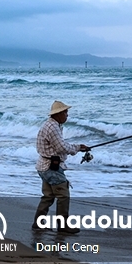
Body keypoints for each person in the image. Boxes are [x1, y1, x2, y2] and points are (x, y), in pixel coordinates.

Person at [34, 100, 91, 235]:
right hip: (51, 167)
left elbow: (60, 144)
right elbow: (61, 147)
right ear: (58, 114)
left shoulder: (52, 125)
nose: (67, 115)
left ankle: (38, 224)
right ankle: (63, 225)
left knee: (48, 196)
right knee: (63, 195)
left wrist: (78, 147)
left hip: (43, 166)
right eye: (65, 112)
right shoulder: (53, 128)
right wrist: (77, 148)